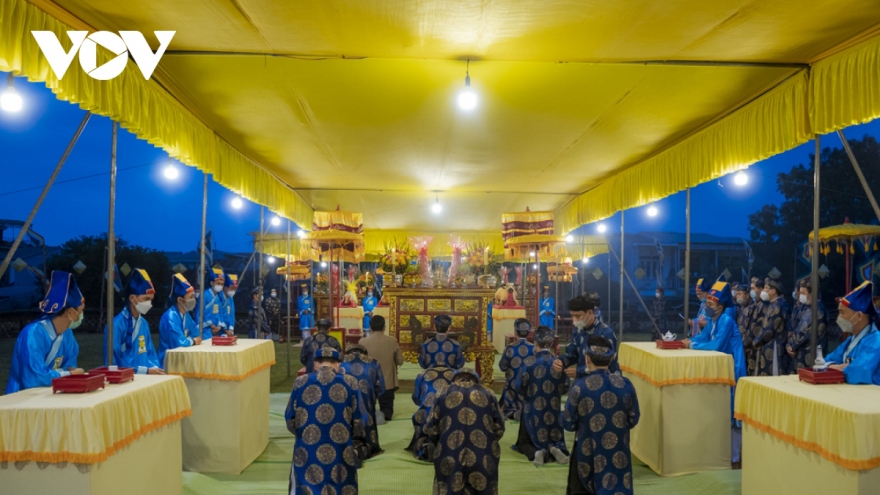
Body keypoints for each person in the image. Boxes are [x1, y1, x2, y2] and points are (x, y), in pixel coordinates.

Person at [562, 336, 640, 495]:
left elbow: (568, 422)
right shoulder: (626, 385)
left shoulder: (580, 387)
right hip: (619, 450)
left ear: (587, 358)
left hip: (587, 450)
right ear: (612, 358)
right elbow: (633, 418)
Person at [284, 347, 367, 495]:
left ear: (316, 364)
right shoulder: (351, 382)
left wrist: (303, 435)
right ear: (337, 365)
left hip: (308, 445)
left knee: (308, 483)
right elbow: (359, 419)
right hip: (341, 445)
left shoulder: (300, 382)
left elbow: (290, 418)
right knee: (342, 483)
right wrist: (348, 436)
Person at [682, 280, 746, 468]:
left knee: (733, 411)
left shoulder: (726, 320)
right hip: (721, 369)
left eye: (710, 305)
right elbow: (702, 338)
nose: (706, 309)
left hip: (733, 369)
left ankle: (734, 457)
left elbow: (716, 345)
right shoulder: (713, 320)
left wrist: (693, 345)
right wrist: (688, 341)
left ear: (720, 307)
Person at [423, 368, 505, 495]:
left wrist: (442, 441)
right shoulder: (489, 393)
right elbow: (499, 428)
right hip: (483, 454)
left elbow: (431, 428)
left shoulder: (442, 392)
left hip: (449, 453)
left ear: (455, 380)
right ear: (476, 380)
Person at [6, 270, 84, 393]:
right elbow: (34, 377)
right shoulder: (32, 334)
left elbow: (71, 367)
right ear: (70, 312)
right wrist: (66, 374)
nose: (81, 315)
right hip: (23, 398)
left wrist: (68, 373)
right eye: (80, 311)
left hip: (54, 394)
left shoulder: (67, 334)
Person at [514, 325, 570, 466]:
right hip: (554, 409)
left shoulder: (528, 363)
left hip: (532, 410)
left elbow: (518, 386)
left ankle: (536, 452)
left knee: (524, 443)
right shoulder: (558, 363)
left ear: (535, 343)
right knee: (554, 435)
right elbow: (566, 386)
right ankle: (554, 448)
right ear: (551, 344)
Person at [104, 268, 163, 375]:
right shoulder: (116, 325)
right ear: (132, 298)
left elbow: (150, 353)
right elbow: (113, 362)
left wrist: (155, 367)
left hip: (146, 377)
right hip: (126, 379)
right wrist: (145, 371)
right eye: (146, 299)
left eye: (151, 299)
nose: (149, 303)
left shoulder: (143, 323)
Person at [825, 281, 880, 385]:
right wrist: (830, 366)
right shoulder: (850, 340)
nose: (839, 318)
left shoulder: (876, 342)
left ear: (858, 316)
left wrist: (831, 369)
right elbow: (824, 361)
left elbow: (857, 373)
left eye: (842, 313)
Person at [554, 295, 620, 379]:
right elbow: (572, 354)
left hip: (605, 381)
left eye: (578, 316)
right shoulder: (578, 330)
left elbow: (605, 365)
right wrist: (560, 361)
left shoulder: (606, 333)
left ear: (589, 313)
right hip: (582, 382)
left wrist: (580, 372)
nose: (574, 319)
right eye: (572, 316)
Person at [340, 344, 386, 459]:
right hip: (366, 401)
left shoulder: (340, 362)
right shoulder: (374, 362)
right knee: (368, 424)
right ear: (364, 353)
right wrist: (372, 397)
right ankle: (368, 447)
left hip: (345, 400)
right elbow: (381, 387)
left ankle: (347, 447)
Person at [360, 315, 404, 421]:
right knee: (387, 408)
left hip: (369, 380)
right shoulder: (392, 341)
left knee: (368, 406)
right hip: (387, 381)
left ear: (370, 327)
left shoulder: (362, 342)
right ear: (384, 327)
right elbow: (400, 360)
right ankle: (385, 415)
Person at [407, 365, 456, 460]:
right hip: (449, 412)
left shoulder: (422, 374)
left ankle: (425, 445)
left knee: (421, 417)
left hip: (427, 410)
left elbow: (416, 398)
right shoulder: (456, 374)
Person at [158, 274, 202, 365]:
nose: (193, 300)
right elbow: (179, 342)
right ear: (180, 300)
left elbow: (196, 334)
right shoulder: (170, 317)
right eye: (190, 297)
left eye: (193, 296)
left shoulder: (186, 315)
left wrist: (192, 340)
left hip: (182, 360)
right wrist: (193, 341)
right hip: (168, 363)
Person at [498, 318, 535, 420]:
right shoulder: (534, 348)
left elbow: (502, 367)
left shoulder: (510, 348)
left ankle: (512, 412)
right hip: (529, 385)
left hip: (512, 384)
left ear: (515, 332)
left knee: (509, 386)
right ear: (528, 332)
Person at [788, 280, 828, 371]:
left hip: (811, 355)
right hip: (799, 353)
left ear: (812, 293)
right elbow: (796, 328)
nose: (800, 295)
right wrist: (789, 345)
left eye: (803, 293)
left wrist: (791, 345)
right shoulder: (805, 308)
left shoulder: (818, 311)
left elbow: (803, 333)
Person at [753, 278, 788, 376]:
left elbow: (769, 330)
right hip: (768, 345)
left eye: (766, 288)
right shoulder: (773, 304)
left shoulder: (778, 306)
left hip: (775, 346)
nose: (763, 290)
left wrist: (756, 342)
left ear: (773, 291)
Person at [199, 267, 228, 340]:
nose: (220, 286)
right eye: (218, 283)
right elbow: (200, 313)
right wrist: (211, 325)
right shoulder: (204, 295)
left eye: (222, 284)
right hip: (205, 330)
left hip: (216, 330)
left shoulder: (218, 297)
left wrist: (219, 326)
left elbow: (220, 313)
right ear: (212, 283)